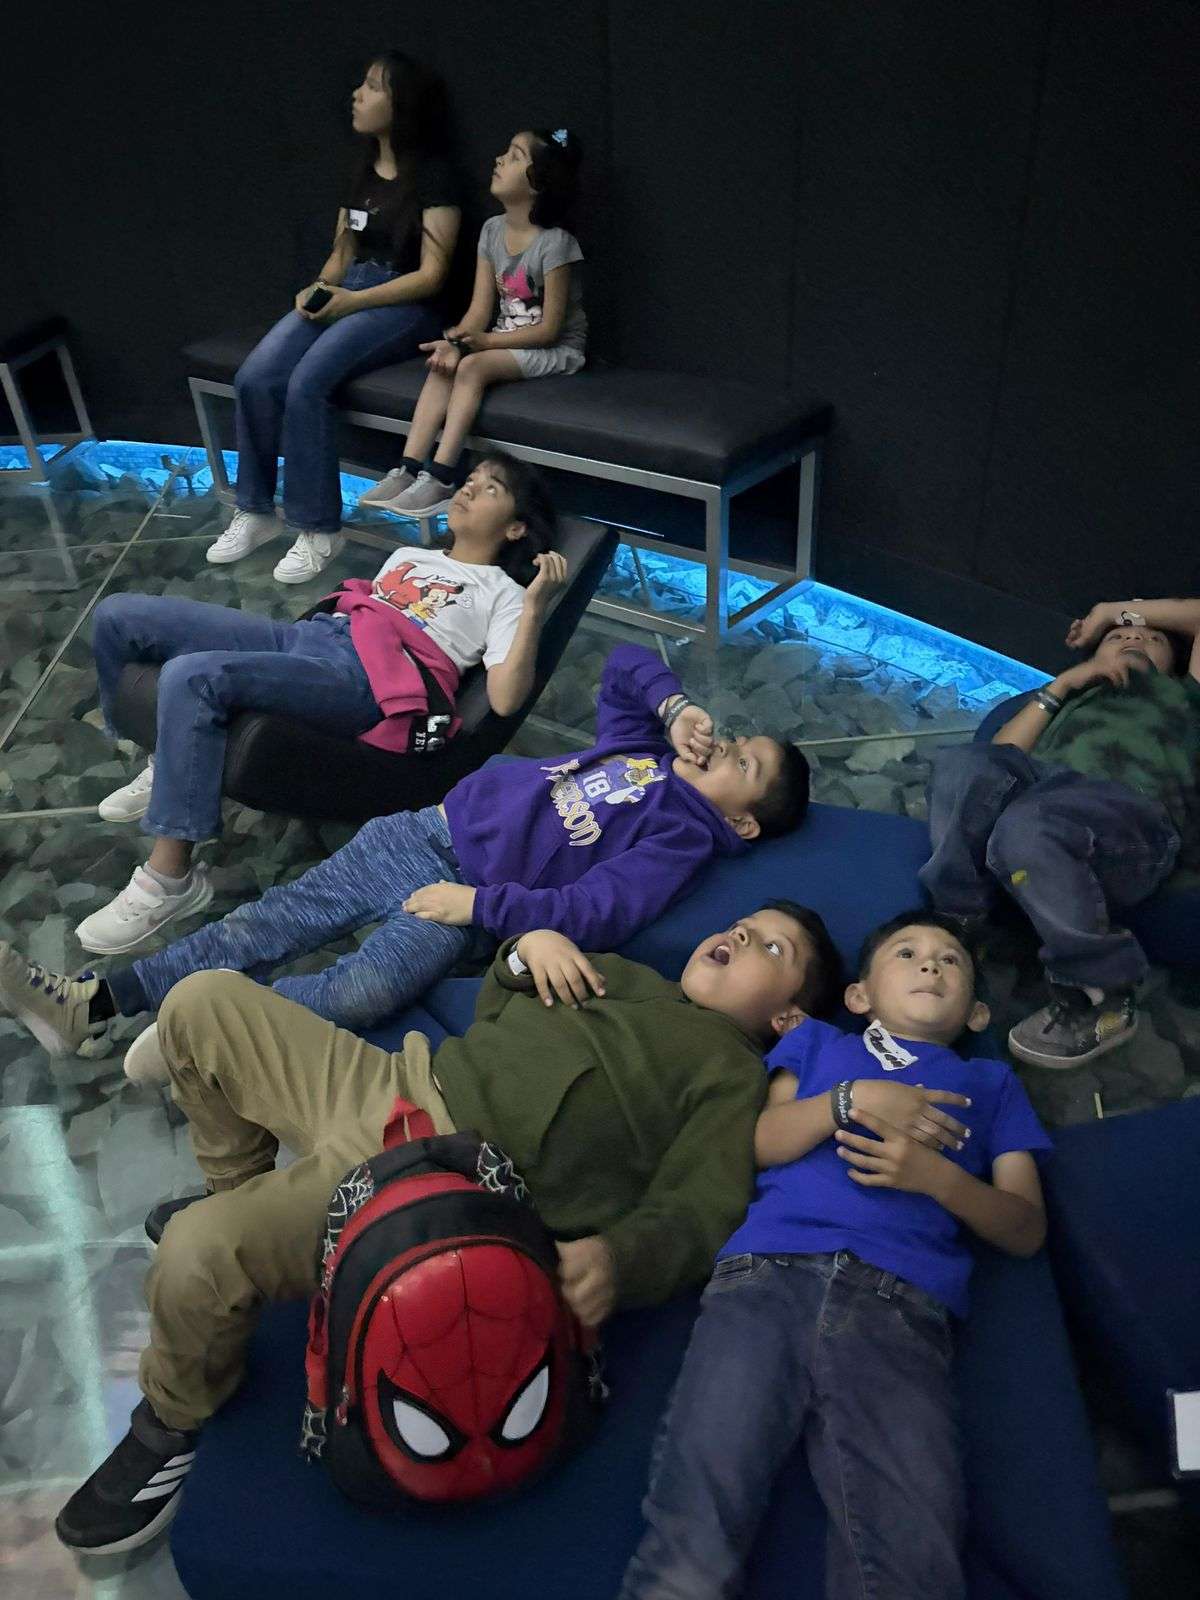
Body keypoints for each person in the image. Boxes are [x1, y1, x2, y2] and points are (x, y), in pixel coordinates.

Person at [52, 900, 844, 1555]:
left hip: (439, 1182)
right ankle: (242, 1194)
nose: (739, 935)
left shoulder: (729, 1076)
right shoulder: (628, 975)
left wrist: (618, 1258)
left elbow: (699, 1210)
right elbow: (499, 1003)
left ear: (788, 1016)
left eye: (770, 947)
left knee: (196, 1253)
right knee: (200, 1000)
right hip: (396, 1080)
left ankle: (171, 1418)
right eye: (740, 925)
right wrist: (524, 953)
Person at [0, 645, 812, 1055]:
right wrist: (673, 709)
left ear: (743, 823)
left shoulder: (679, 837)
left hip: (465, 903)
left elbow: (595, 910)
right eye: (738, 739)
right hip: (424, 832)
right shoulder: (643, 748)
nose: (726, 747)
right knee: (266, 924)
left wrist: (480, 906)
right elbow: (625, 667)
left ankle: (204, 1027)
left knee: (362, 991)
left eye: (744, 766)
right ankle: (90, 1004)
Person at [619, 910, 1050, 1600]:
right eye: (907, 953)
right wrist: (850, 1100)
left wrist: (936, 1179)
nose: (930, 964)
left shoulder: (993, 1085)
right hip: (767, 1276)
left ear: (977, 1012)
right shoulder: (817, 1042)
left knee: (913, 1549)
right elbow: (759, 1143)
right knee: (698, 1513)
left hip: (900, 1308)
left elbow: (1025, 1229)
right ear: (859, 995)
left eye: (950, 960)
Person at [69, 455, 566, 956]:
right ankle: (170, 760)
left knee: (193, 676)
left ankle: (169, 879)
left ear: (516, 527)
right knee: (119, 616)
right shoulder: (409, 555)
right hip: (315, 635)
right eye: (471, 480)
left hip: (370, 680)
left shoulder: (505, 594)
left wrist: (535, 606)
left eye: (490, 489)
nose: (468, 489)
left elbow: (505, 699)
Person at [206, 51, 461, 584]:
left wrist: (352, 302)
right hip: (351, 289)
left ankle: (318, 526)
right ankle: (255, 510)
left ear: (402, 103)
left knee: (308, 381)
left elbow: (432, 276)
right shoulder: (360, 170)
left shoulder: (435, 176)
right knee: (255, 376)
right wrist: (319, 289)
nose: (357, 95)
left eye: (372, 87)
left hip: (405, 305)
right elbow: (342, 253)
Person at [920, 598, 1200, 1067]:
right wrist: (1064, 684)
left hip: (1131, 816)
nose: (1134, 636)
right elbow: (996, 760)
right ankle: (961, 924)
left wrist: (1111, 613)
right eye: (1119, 637)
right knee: (961, 765)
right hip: (1044, 788)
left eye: (1152, 637)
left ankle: (1102, 993)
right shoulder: (1072, 695)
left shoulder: (1186, 694)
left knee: (1030, 826)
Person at [361, 127, 585, 519]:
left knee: (472, 367)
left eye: (514, 156)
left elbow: (550, 330)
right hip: (504, 338)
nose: (499, 159)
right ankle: (407, 469)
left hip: (554, 348)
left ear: (538, 182)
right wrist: (455, 343)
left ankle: (442, 477)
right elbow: (479, 312)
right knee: (444, 363)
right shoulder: (492, 230)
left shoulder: (557, 244)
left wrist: (477, 345)